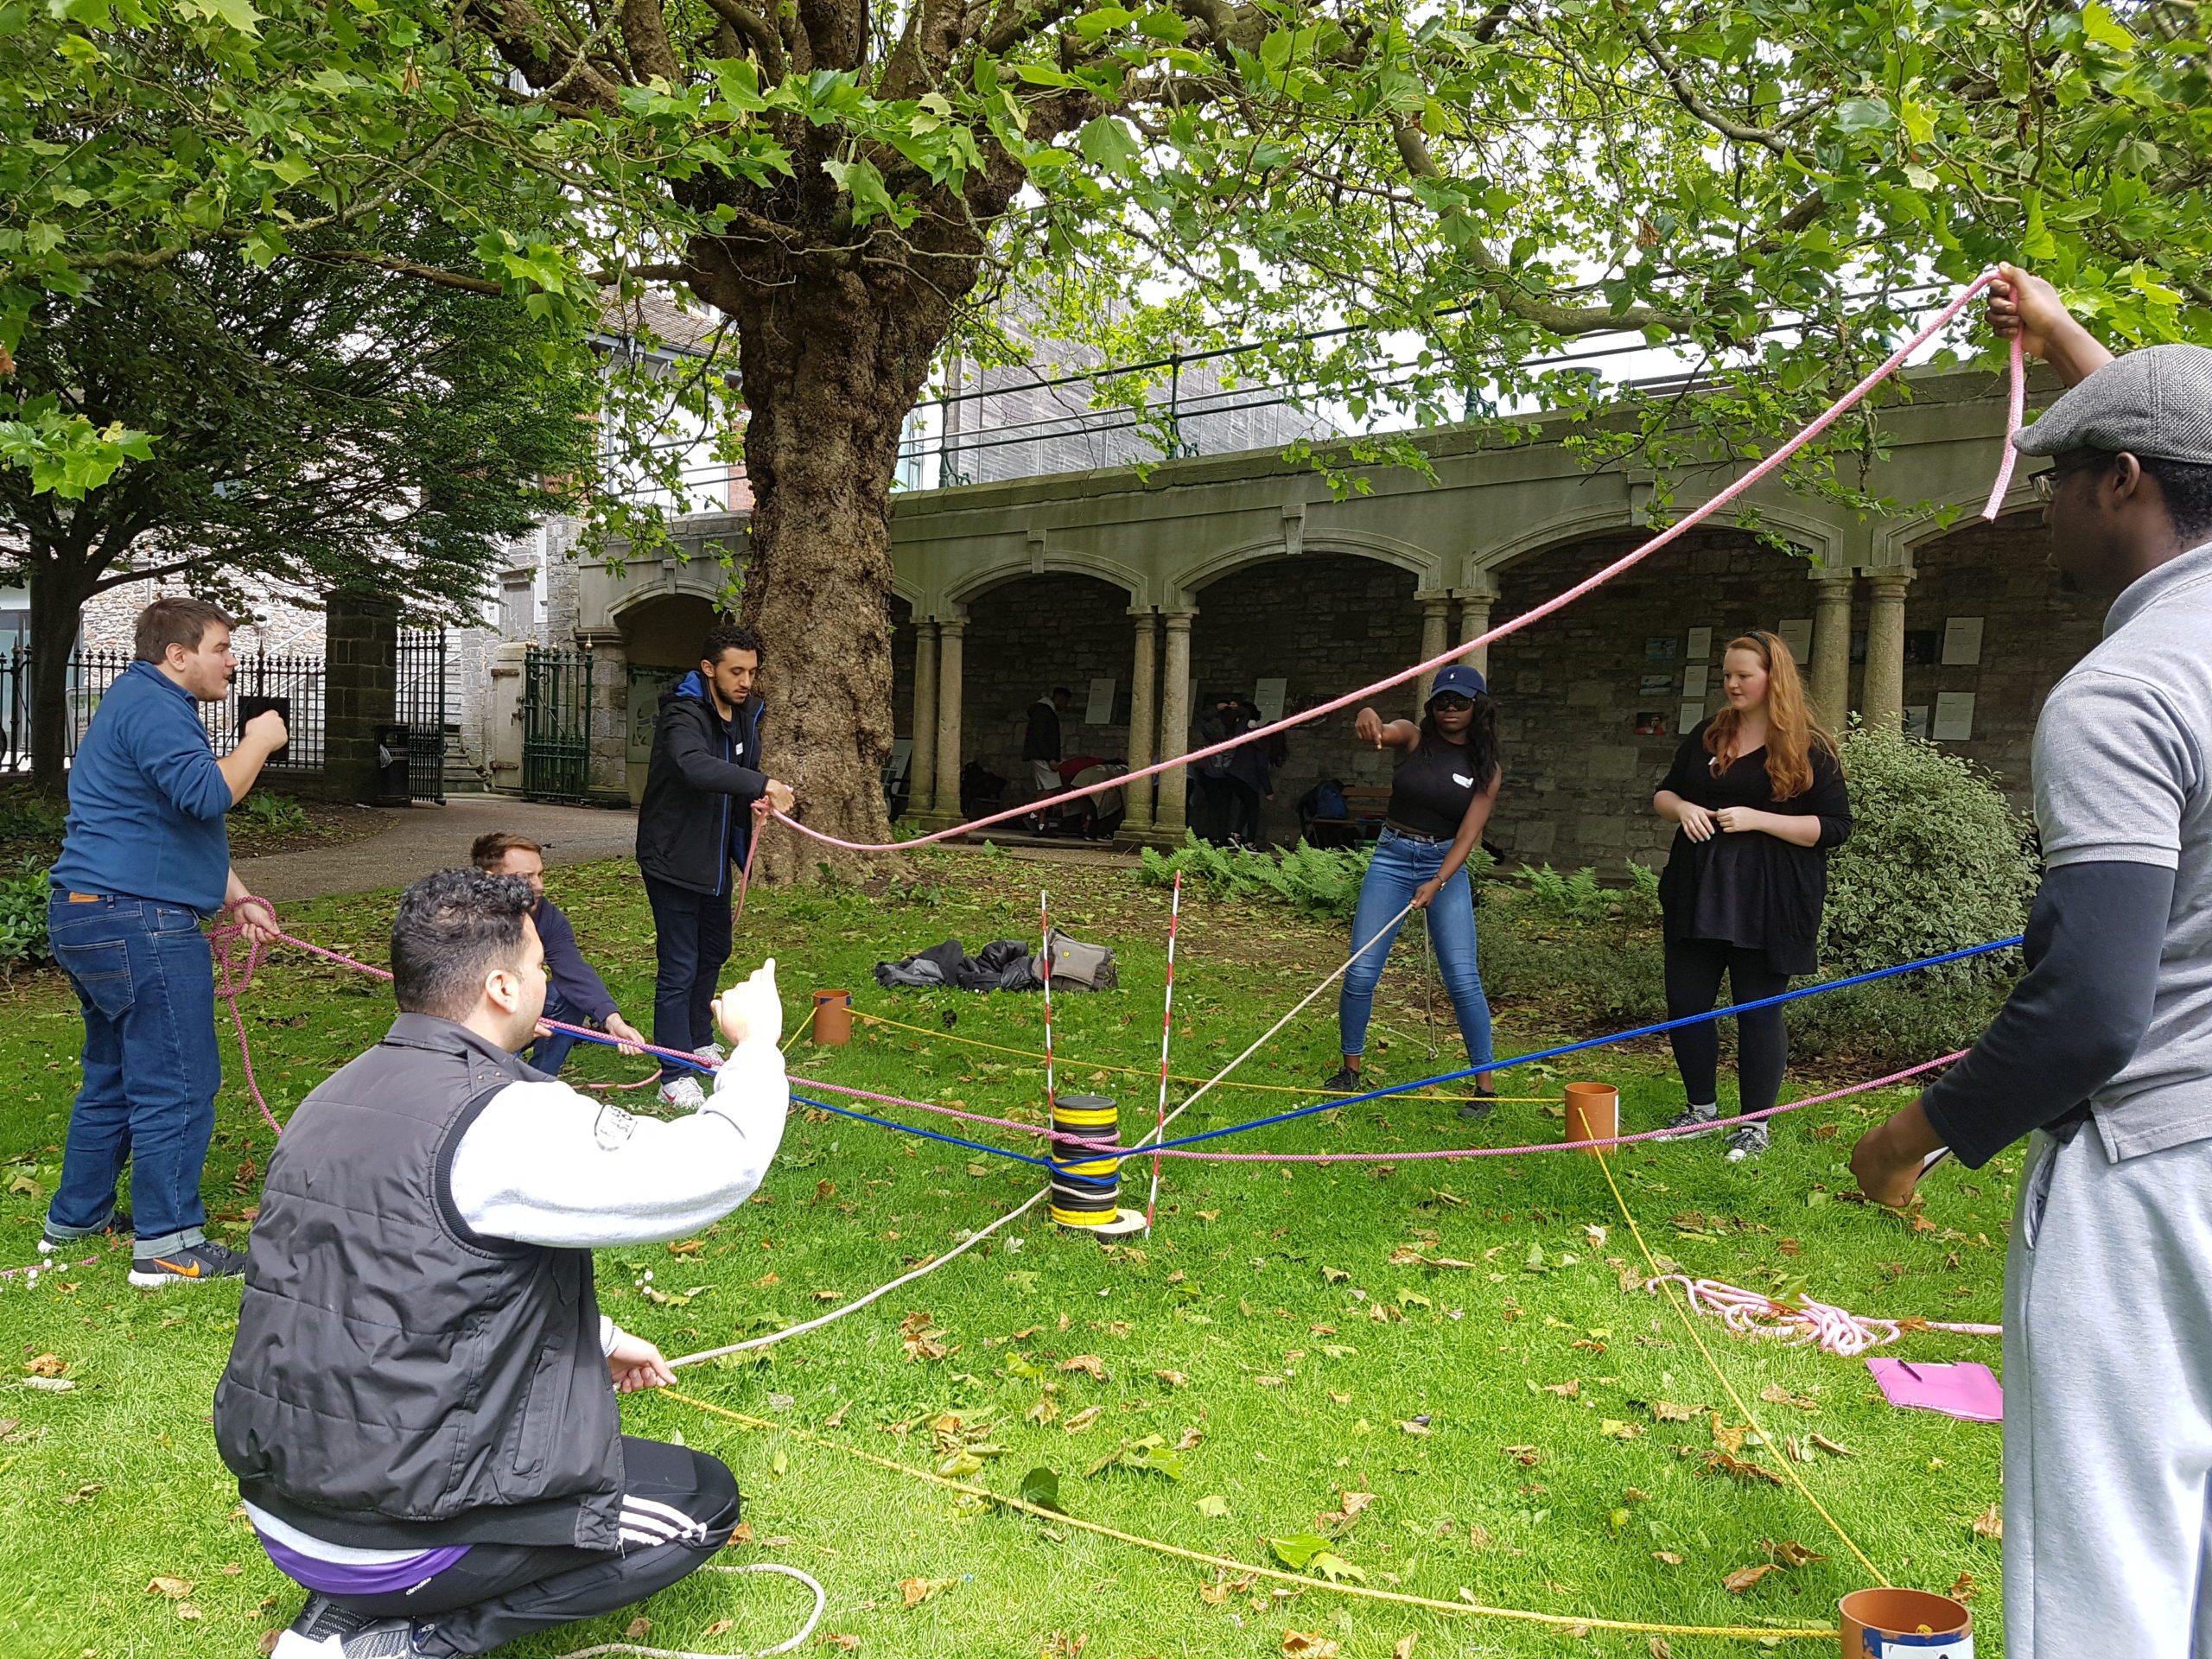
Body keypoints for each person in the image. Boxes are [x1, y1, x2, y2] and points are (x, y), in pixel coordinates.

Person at [1850, 268, 2212, 1657]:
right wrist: (2068, 345)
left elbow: (2088, 1013)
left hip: (2160, 1183)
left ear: (2120, 484)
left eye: (2060, 476)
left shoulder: (2129, 690)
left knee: (2111, 1579)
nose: (2043, 504)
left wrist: (1910, 1138)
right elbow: (2183, 448)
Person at [219, 867, 790, 1659]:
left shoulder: (332, 1095)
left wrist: (601, 1336)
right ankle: (412, 1643)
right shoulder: (501, 1115)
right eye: (540, 970)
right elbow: (716, 1168)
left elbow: (398, 1280)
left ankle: (341, 1613)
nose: (547, 985)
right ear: (499, 986)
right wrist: (757, 1047)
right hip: (392, 1526)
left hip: (283, 1506)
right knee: (699, 1500)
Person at [41, 597, 286, 1286]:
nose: (232, 661)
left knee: (115, 1076)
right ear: (177, 656)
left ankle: (77, 1218)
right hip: (136, 921)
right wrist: (261, 740)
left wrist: (236, 896)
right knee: (177, 1080)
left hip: (96, 914)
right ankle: (169, 1245)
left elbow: (176, 817)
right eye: (221, 647)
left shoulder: (141, 704)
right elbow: (210, 795)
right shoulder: (152, 705)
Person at [1651, 631, 1850, 1161]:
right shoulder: (1709, 734)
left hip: (1770, 896)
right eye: (1727, 675)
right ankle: (1700, 1111)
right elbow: (1665, 791)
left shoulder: (1810, 747)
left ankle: (1754, 1123)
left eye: (1744, 675)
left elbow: (1835, 827)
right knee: (1687, 1003)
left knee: (1757, 1009)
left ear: (1773, 678)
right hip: (1698, 889)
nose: (1733, 684)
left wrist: (1760, 819)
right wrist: (1683, 810)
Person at [1326, 665, 1501, 1118]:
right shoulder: (1414, 739)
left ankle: (1484, 1086)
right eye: (1442, 701)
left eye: (1460, 702)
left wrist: (1438, 880)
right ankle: (1350, 1070)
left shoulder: (1486, 769)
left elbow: (1468, 835)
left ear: (1477, 706)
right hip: (1391, 858)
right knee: (1362, 971)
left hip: (1445, 868)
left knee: (1462, 977)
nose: (1449, 710)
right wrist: (1368, 712)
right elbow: (1386, 729)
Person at [635, 624, 795, 1110]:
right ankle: (674, 1070)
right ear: (709, 669)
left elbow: (733, 782)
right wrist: (762, 783)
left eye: (751, 672)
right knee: (679, 964)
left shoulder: (746, 715)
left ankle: (698, 1039)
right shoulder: (684, 712)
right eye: (736, 671)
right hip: (673, 856)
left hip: (714, 859)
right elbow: (694, 765)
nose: (746, 681)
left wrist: (752, 805)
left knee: (714, 950)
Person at [469, 832, 645, 1075]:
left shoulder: (547, 915)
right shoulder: (460, 917)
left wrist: (612, 1019)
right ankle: (494, 1078)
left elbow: (573, 970)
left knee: (568, 996)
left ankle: (539, 1082)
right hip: (468, 1014)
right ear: (490, 879)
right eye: (525, 878)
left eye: (540, 874)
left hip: (516, 1003)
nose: (539, 886)